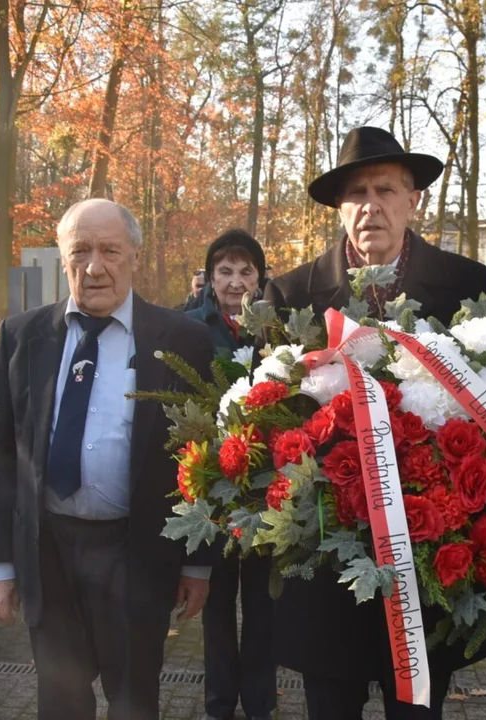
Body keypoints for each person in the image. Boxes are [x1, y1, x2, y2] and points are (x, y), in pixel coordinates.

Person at [263, 125, 486, 720]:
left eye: (387, 190)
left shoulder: (471, 287)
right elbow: (269, 424)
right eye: (358, 193)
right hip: (327, 569)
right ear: (339, 207)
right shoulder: (292, 294)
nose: (371, 205)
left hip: (430, 562)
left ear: (413, 198)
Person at [0, 199, 216, 720]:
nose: (94, 266)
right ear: (62, 258)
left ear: (134, 253)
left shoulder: (184, 340)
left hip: (136, 553)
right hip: (49, 553)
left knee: (133, 701)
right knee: (60, 702)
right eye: (79, 251)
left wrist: (198, 562)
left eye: (109, 250)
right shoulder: (22, 336)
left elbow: (204, 461)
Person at [186, 229, 277, 720]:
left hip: (267, 490)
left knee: (263, 607)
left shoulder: (275, 332)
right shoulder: (189, 327)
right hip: (213, 486)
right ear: (210, 277)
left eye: (246, 271)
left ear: (260, 278)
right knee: (216, 605)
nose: (236, 281)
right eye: (225, 271)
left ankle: (261, 704)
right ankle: (219, 704)